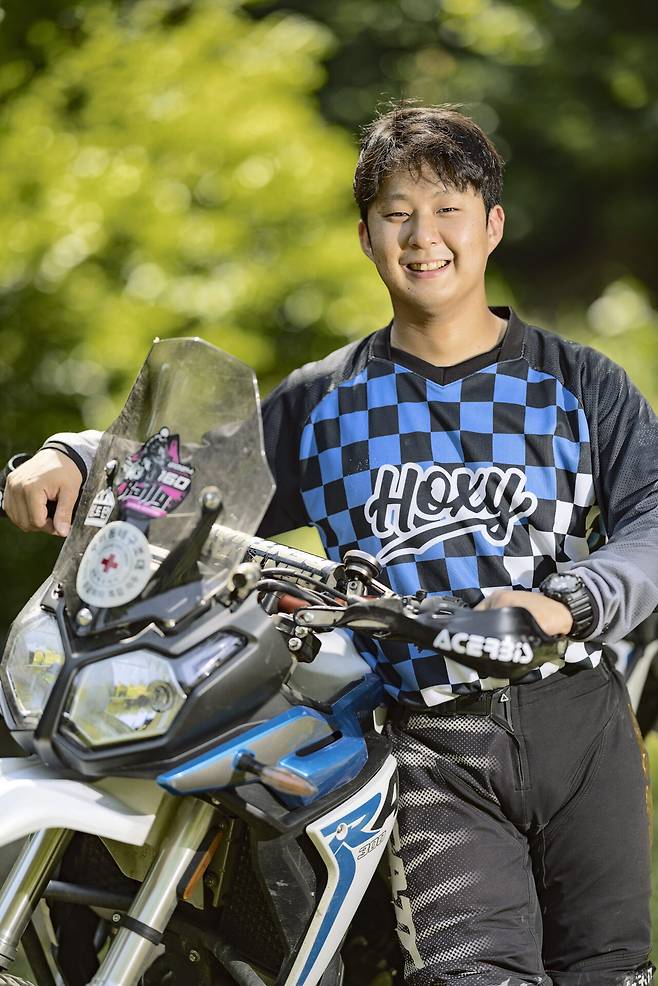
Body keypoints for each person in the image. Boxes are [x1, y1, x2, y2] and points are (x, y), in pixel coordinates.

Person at [4, 104, 657, 986]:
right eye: (397, 214)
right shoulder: (327, 401)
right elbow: (195, 480)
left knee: (613, 972)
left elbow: (652, 515)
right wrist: (74, 456)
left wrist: (566, 600)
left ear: (492, 225)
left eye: (449, 211)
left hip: (582, 724)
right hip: (432, 745)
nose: (423, 238)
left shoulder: (578, 382)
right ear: (366, 236)